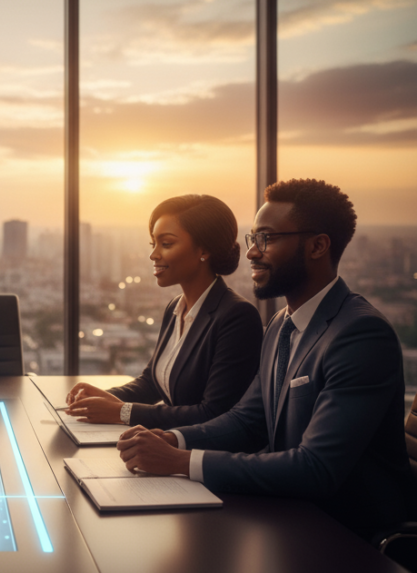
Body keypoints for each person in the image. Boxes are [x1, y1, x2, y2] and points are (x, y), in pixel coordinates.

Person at [116, 179, 415, 538]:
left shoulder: (361, 335)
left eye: (267, 239)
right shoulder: (280, 324)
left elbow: (316, 468)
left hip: (350, 535)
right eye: (252, 239)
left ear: (318, 246)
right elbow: (248, 421)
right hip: (289, 515)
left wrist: (183, 461)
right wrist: (173, 439)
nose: (252, 253)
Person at [65, 195, 262, 429]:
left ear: (204, 250)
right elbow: (151, 383)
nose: (153, 255)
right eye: (153, 244)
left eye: (166, 244)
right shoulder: (175, 308)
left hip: (196, 457)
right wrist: (99, 398)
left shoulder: (236, 316)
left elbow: (214, 413)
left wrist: (121, 411)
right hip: (164, 445)